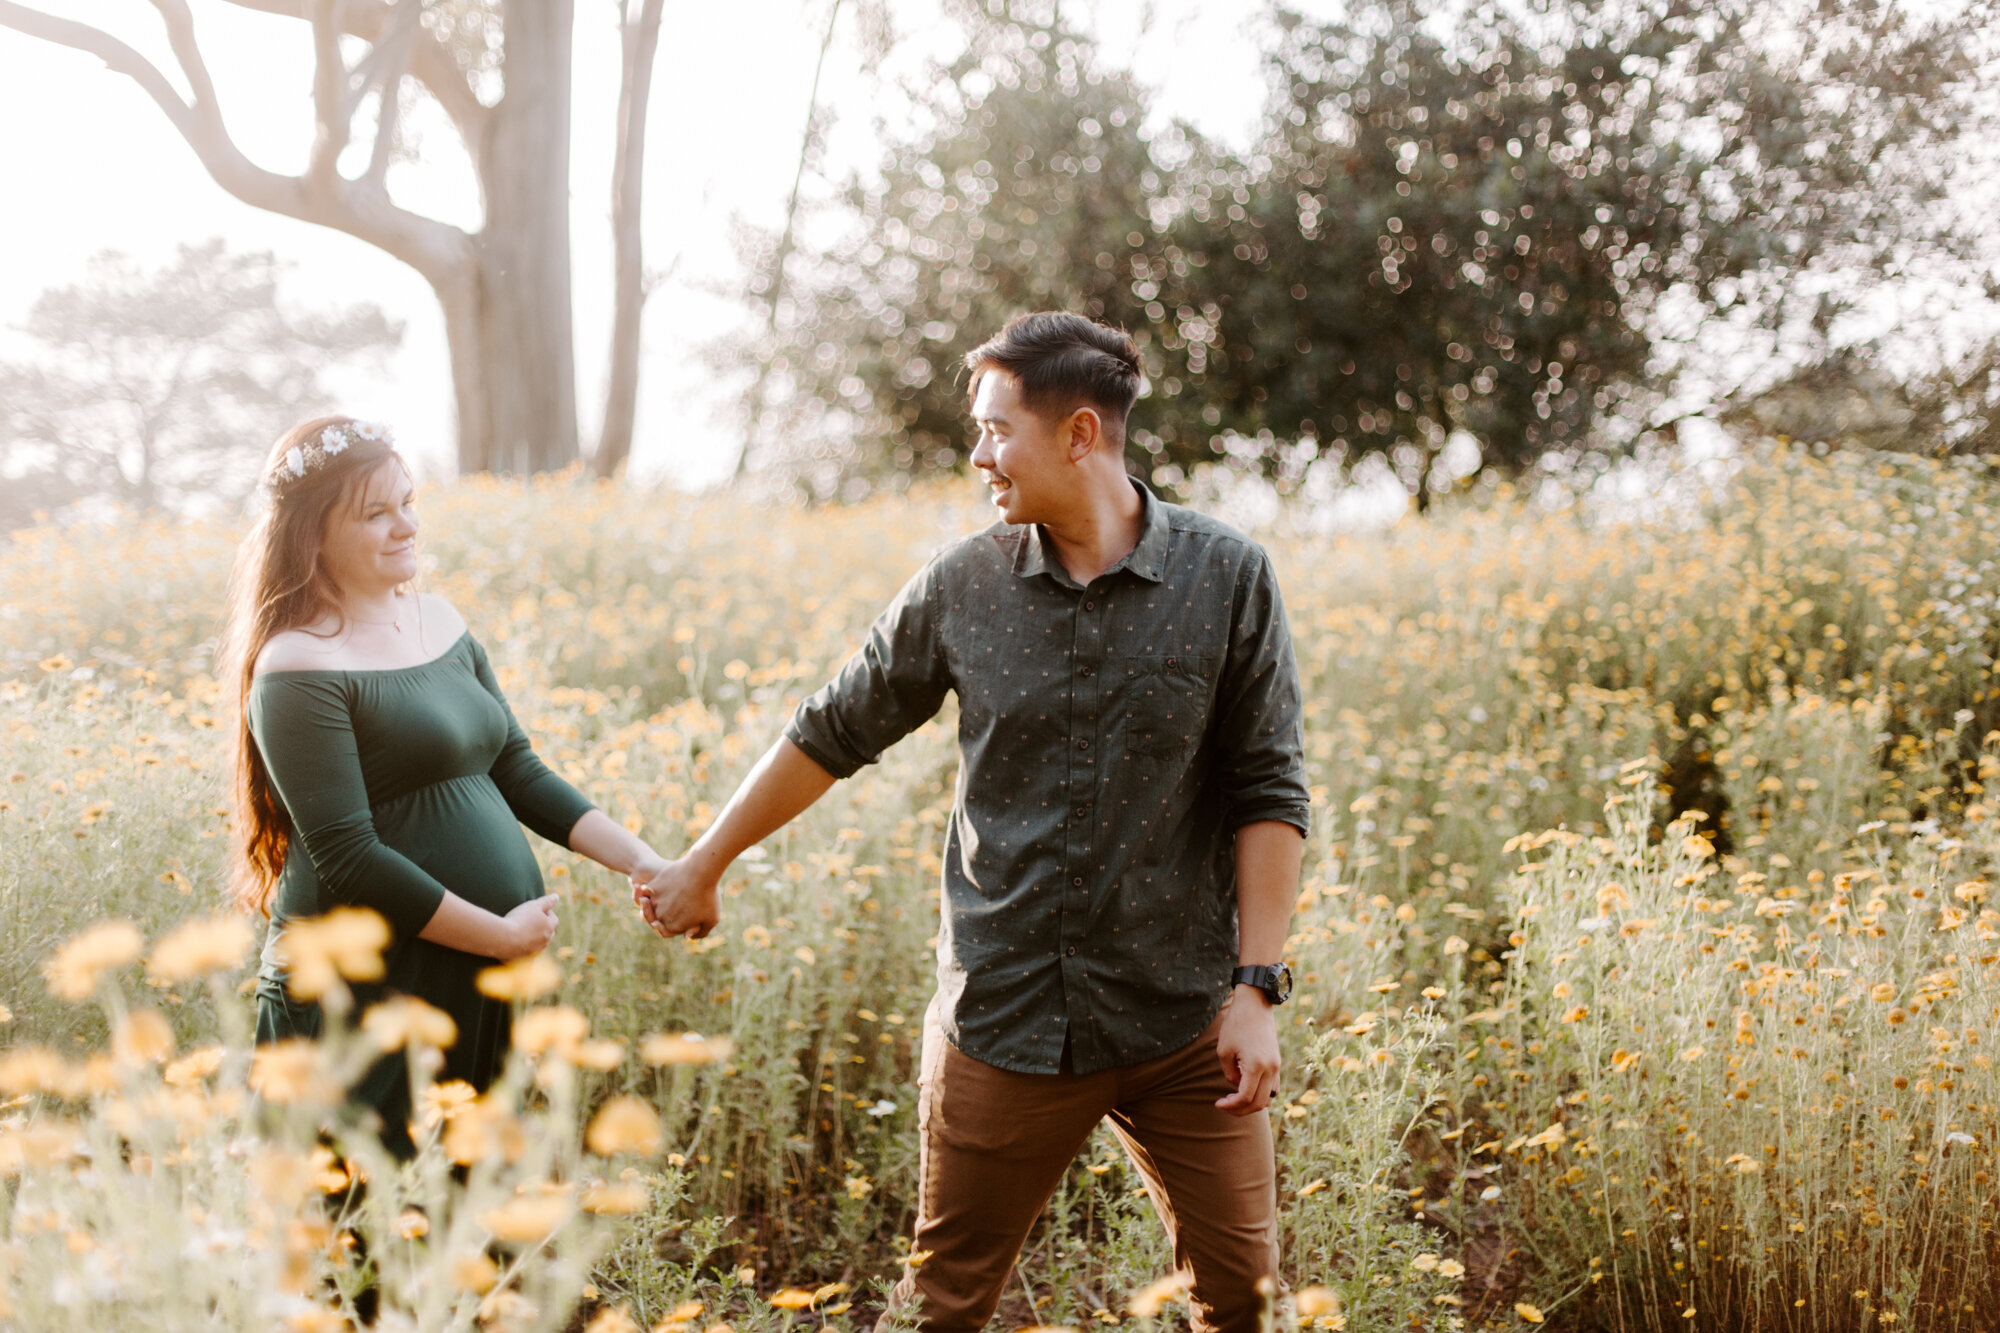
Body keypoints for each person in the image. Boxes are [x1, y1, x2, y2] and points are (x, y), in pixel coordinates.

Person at [635, 313, 1310, 1330]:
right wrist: (704, 860)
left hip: (1183, 1022)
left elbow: (1267, 787)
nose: (978, 453)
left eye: (997, 428)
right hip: (1005, 1018)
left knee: (1244, 1304)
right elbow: (831, 728)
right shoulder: (962, 587)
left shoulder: (1226, 579)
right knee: (941, 1308)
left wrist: (1255, 987)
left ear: (1079, 434)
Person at [220, 416, 668, 1157]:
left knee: (459, 1205)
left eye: (407, 501)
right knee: (359, 1228)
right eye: (375, 513)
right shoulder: (295, 665)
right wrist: (500, 934)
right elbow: (347, 853)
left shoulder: (442, 623)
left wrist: (642, 862)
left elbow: (518, 769)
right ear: (312, 535)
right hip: (360, 991)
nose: (406, 526)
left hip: (467, 972)